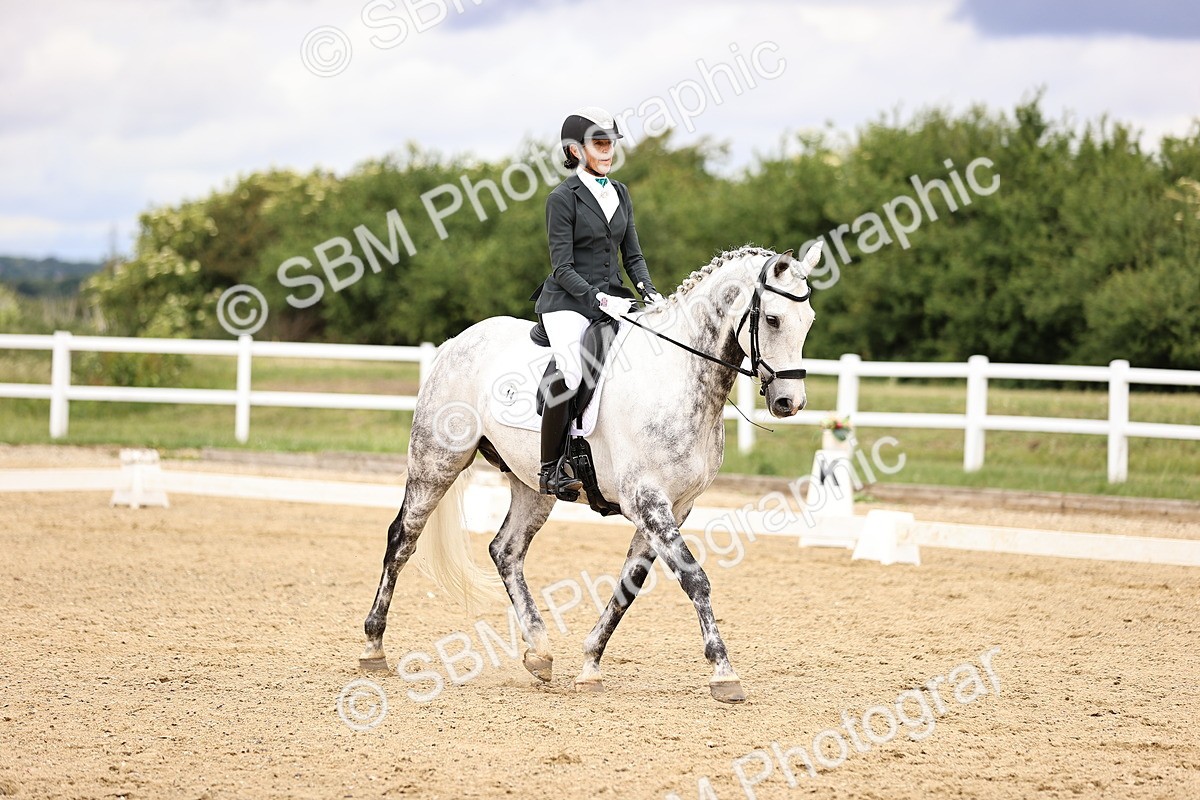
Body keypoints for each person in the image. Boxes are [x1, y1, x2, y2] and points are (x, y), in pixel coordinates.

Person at [530, 106, 665, 497]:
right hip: (567, 301)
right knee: (572, 372)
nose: (608, 151)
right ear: (575, 151)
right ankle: (550, 468)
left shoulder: (620, 192)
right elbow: (561, 266)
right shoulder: (562, 198)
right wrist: (598, 299)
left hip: (616, 299)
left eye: (611, 143)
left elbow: (633, 255)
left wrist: (649, 291)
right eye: (600, 144)